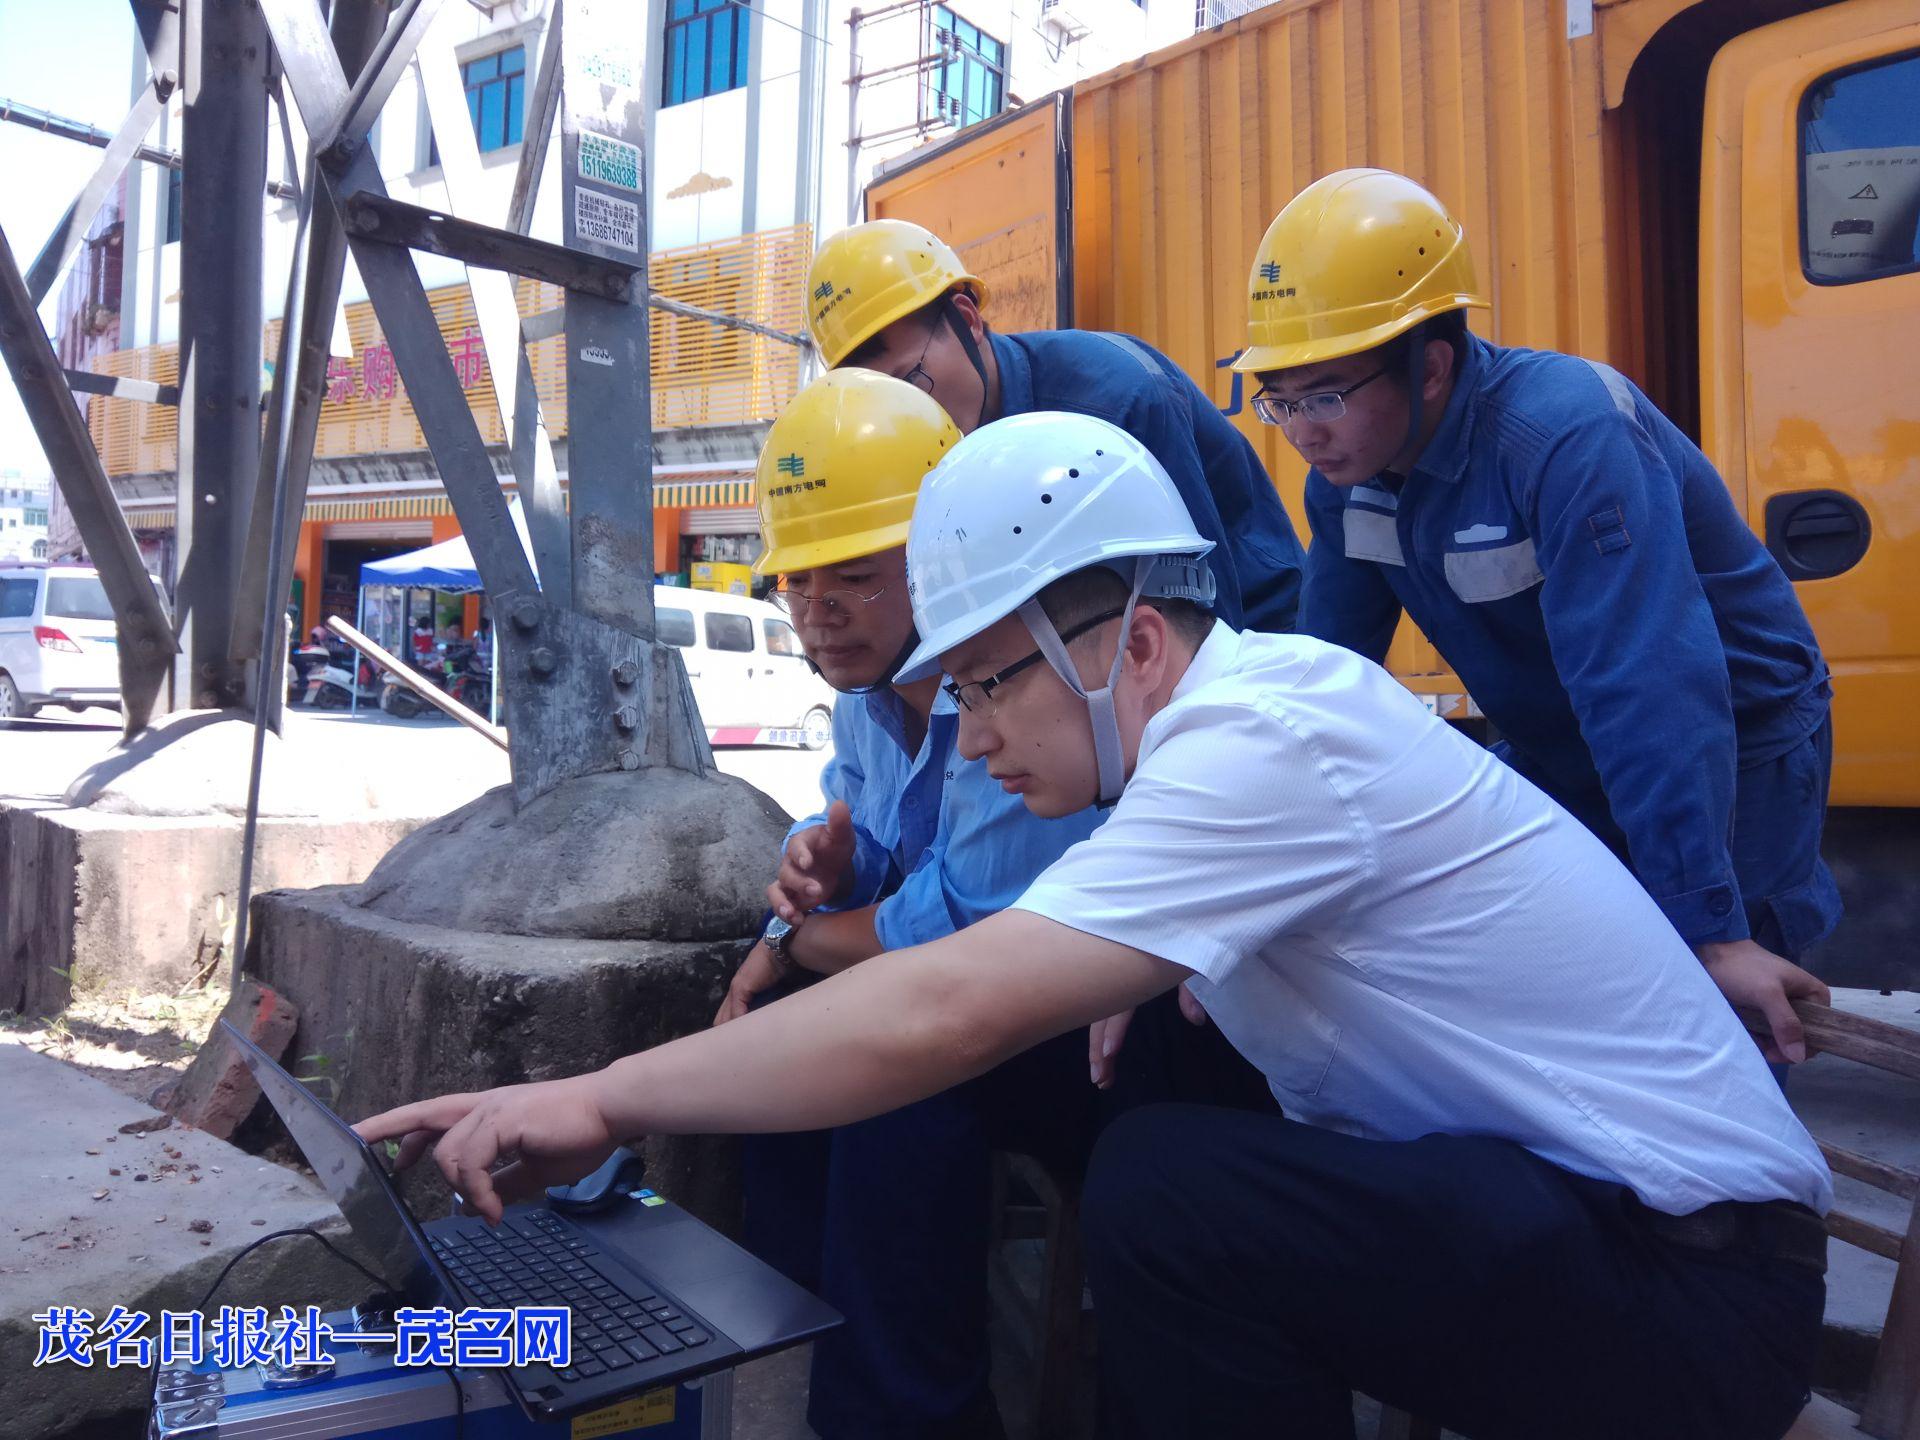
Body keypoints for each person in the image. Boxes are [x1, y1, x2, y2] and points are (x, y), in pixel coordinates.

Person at [362, 413, 1832, 1440]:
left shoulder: (1262, 741)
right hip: (1587, 1233)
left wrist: (597, 1094)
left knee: (1170, 1187)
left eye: (995, 682)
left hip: (1692, 1291)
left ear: (1131, 638)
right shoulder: (1219, 741)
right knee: (1123, 1100)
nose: (973, 733)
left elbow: (945, 1001)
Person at [717, 370, 1254, 1440]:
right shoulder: (877, 704)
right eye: (798, 586)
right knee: (802, 1052)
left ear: (936, 564)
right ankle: (792, 1348)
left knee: (892, 1068)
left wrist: (790, 944)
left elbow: (958, 932)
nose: (820, 616)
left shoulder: (1015, 701)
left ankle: (908, 1416)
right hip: (1027, 998)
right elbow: (873, 851)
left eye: (856, 581)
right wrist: (818, 868)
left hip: (1107, 1023)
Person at [1231, 168, 1840, 1054]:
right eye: (1279, 399)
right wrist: (1240, 889)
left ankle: (1744, 1178)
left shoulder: (1566, 438)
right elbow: (1324, 687)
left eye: (1322, 395)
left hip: (1732, 740)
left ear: (1431, 365)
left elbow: (1647, 680)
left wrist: (1712, 927)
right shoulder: (1351, 486)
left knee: (1719, 1021)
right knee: (1555, 985)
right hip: (1567, 740)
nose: (1300, 431)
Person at [806, 218, 1306, 635]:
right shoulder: (924, 450)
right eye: (887, 405)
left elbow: (1198, 622)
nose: (912, 415)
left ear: (968, 319)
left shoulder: (1115, 402)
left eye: (912, 380)